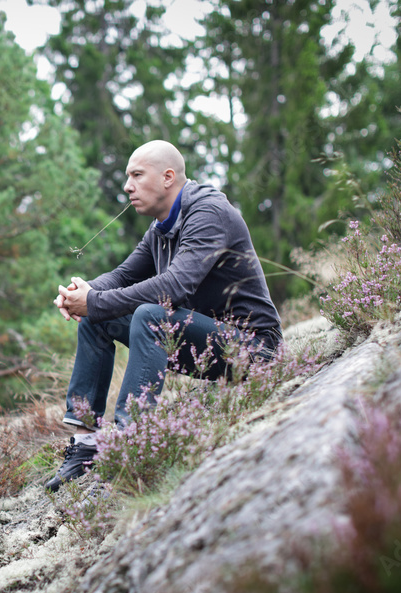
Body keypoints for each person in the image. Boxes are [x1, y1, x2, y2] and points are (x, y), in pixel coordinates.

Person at [46, 140, 282, 492]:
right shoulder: (160, 228)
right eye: (128, 177)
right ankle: (85, 447)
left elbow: (175, 288)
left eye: (137, 175)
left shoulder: (208, 213)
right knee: (99, 317)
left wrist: (94, 300)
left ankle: (131, 444)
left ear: (168, 177)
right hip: (205, 344)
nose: (127, 186)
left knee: (149, 315)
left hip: (252, 349)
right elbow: (124, 276)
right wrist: (82, 293)